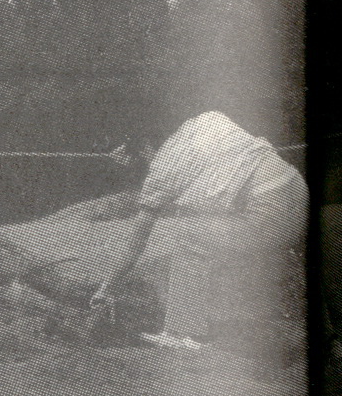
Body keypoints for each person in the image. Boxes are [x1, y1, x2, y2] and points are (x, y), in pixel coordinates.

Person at [90, 111, 308, 350]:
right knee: (216, 232)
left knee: (188, 238)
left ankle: (180, 333)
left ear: (140, 148)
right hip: (299, 190)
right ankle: (328, 338)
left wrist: (106, 289)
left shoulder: (162, 169)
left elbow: (136, 243)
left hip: (269, 209)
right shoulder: (207, 119)